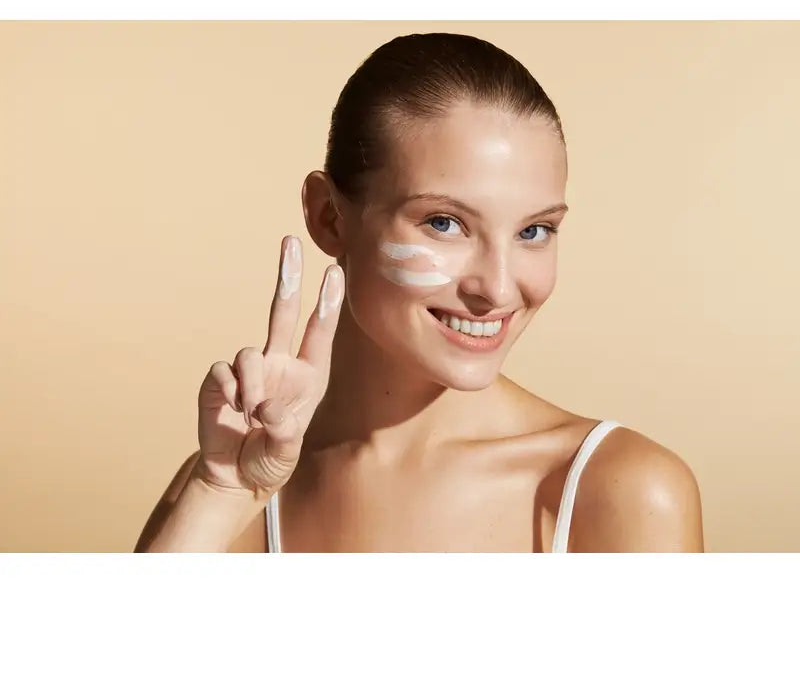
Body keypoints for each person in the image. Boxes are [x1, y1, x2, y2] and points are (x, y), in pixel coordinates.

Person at [135, 32, 704, 553]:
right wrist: (220, 495)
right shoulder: (232, 481)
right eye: (445, 223)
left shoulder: (622, 493)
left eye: (534, 231)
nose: (497, 288)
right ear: (330, 216)